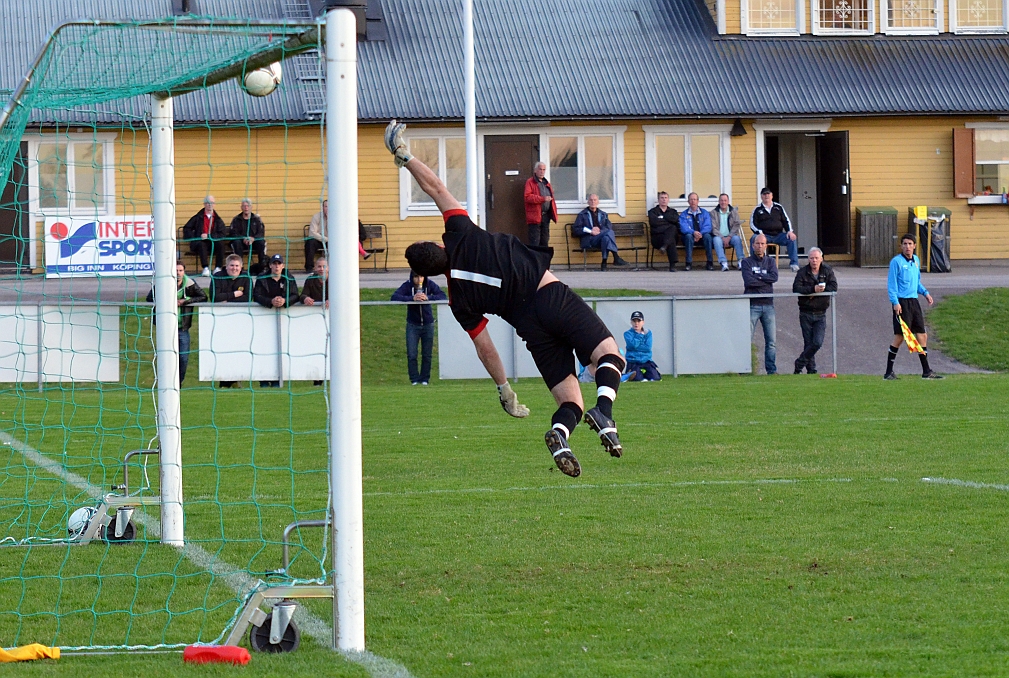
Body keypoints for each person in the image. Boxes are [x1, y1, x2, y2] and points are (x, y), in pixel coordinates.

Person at [386, 118, 626, 478]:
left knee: (570, 400)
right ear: (437, 244)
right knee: (609, 353)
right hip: (549, 294)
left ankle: (560, 435)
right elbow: (435, 186)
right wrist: (405, 157)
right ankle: (605, 411)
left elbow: (486, 349)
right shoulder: (461, 231)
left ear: (430, 273)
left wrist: (505, 390)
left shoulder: (458, 301)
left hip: (530, 328)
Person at [886, 233, 942, 380]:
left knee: (922, 334)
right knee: (900, 337)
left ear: (914, 246)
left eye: (910, 244)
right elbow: (892, 285)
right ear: (901, 246)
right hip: (902, 303)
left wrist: (925, 293)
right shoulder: (896, 262)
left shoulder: (916, 261)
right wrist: (895, 302)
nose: (907, 247)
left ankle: (926, 371)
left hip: (914, 302)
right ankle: (888, 372)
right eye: (905, 244)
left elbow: (916, 282)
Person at [146, 260, 207, 385]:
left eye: (180, 270)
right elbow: (149, 298)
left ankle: (178, 383)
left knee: (183, 358)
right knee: (166, 358)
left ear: (184, 272)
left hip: (182, 328)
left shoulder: (190, 283)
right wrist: (168, 299)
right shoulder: (163, 282)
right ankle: (165, 382)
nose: (178, 273)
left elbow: (203, 297)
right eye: (176, 270)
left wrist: (185, 301)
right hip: (165, 328)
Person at [391, 270, 447, 385]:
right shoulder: (407, 286)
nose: (419, 279)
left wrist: (428, 298)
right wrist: (412, 298)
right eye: (416, 277)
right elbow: (394, 297)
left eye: (421, 276)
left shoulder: (429, 284)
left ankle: (425, 379)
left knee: (427, 354)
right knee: (412, 354)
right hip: (413, 325)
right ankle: (414, 380)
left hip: (428, 324)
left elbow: (443, 296)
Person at [253, 254, 299, 387]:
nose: (277, 266)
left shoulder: (289, 278)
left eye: (279, 264)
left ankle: (277, 379)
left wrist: (284, 301)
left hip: (283, 319)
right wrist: (270, 302)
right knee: (263, 348)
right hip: (263, 318)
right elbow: (256, 295)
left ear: (283, 266)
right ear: (270, 265)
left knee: (281, 348)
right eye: (274, 263)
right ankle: (263, 379)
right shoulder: (262, 278)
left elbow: (295, 295)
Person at [791, 247, 837, 375]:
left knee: (817, 342)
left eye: (816, 258)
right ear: (808, 259)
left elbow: (834, 287)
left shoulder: (827, 271)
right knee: (808, 343)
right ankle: (811, 370)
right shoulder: (802, 272)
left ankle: (799, 363)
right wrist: (812, 289)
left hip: (821, 313)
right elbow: (796, 288)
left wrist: (820, 290)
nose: (814, 261)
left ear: (821, 259)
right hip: (805, 312)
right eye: (811, 258)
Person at [210, 253, 251, 388]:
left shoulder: (246, 277)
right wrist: (234, 294)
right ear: (226, 266)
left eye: (237, 266)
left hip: (241, 319)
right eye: (231, 265)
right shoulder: (217, 277)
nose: (234, 268)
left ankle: (236, 379)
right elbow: (214, 297)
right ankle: (223, 381)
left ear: (241, 267)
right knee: (223, 349)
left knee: (239, 349)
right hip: (221, 320)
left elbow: (248, 297)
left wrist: (227, 299)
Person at [741, 233, 778, 375]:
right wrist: (765, 279)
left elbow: (774, 277)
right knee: (746, 339)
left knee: (771, 342)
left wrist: (758, 277)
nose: (760, 246)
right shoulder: (746, 262)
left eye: (763, 244)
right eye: (757, 243)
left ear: (766, 246)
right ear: (753, 245)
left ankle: (771, 371)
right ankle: (744, 369)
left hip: (768, 305)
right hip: (752, 305)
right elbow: (748, 281)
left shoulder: (771, 262)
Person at [572, 194, 629, 271]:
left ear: (598, 202)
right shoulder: (582, 215)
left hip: (600, 239)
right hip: (589, 240)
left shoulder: (603, 214)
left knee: (606, 238)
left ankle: (604, 263)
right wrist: (591, 231)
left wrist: (600, 231)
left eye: (595, 200)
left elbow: (608, 227)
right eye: (591, 200)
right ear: (588, 202)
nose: (593, 202)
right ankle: (616, 257)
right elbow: (576, 230)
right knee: (609, 232)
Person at [750, 188, 800, 272]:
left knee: (791, 239)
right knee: (754, 239)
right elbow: (752, 224)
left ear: (772, 196)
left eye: (768, 194)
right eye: (764, 194)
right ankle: (754, 264)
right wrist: (760, 233)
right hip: (764, 235)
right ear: (761, 196)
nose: (766, 196)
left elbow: (786, 221)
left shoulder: (779, 207)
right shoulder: (757, 209)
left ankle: (794, 264)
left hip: (778, 235)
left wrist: (789, 231)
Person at [300, 257, 330, 386]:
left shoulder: (336, 279)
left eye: (324, 266)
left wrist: (333, 299)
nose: (321, 269)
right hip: (315, 320)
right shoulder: (310, 280)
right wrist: (306, 299)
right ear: (315, 268)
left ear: (328, 268)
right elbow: (302, 295)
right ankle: (317, 379)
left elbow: (343, 294)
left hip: (332, 320)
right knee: (316, 347)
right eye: (319, 266)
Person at [181, 195, 228, 276]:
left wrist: (209, 236)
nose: (210, 205)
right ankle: (205, 268)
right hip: (200, 242)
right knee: (202, 245)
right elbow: (186, 229)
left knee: (221, 244)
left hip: (213, 242)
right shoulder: (197, 217)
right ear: (204, 204)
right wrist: (197, 237)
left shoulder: (217, 219)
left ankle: (218, 268)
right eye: (208, 203)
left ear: (214, 204)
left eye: (212, 203)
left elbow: (222, 233)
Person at [524, 162, 557, 248]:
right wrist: (542, 199)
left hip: (546, 215)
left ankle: (544, 257)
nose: (542, 172)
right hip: (535, 216)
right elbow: (527, 197)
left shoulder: (546, 183)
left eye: (544, 170)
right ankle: (534, 257)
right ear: (535, 170)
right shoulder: (530, 182)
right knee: (535, 242)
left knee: (545, 240)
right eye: (540, 169)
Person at [678, 192, 714, 271]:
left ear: (698, 201)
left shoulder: (705, 213)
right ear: (688, 201)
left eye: (694, 199)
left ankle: (710, 263)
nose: (693, 201)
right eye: (691, 199)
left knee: (708, 237)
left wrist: (700, 234)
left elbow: (708, 226)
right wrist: (693, 232)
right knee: (688, 236)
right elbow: (683, 227)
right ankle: (688, 263)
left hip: (702, 236)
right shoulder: (684, 214)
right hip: (689, 237)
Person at [230, 199, 267, 275]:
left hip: (254, 242)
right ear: (241, 207)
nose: (246, 208)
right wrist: (243, 238)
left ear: (251, 207)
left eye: (248, 206)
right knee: (236, 243)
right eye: (244, 206)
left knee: (261, 242)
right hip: (241, 242)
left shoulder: (257, 219)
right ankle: (240, 268)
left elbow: (261, 232)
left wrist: (253, 238)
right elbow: (233, 232)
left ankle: (262, 268)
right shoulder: (236, 219)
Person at [709, 193, 745, 272]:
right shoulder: (713, 213)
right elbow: (713, 228)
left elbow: (736, 225)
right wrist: (722, 237)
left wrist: (729, 237)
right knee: (716, 240)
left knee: (737, 239)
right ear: (719, 201)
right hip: (719, 237)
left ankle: (741, 261)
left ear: (728, 201)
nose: (723, 202)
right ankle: (723, 263)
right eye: (721, 200)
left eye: (725, 200)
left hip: (731, 236)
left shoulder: (734, 212)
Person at [623, 311, 660, 381]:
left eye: (638, 321)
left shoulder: (648, 333)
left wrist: (636, 346)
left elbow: (648, 347)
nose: (636, 323)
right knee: (637, 378)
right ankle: (628, 374)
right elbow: (633, 345)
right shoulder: (627, 334)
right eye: (634, 321)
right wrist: (640, 335)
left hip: (646, 360)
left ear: (643, 322)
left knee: (655, 378)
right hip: (633, 361)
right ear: (631, 322)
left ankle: (645, 373)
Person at [647, 191, 679, 272]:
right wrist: (668, 222)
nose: (664, 200)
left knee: (672, 229)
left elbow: (676, 221)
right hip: (657, 238)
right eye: (662, 198)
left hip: (668, 237)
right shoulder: (652, 212)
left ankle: (665, 246)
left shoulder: (673, 212)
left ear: (668, 200)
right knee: (671, 235)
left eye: (665, 198)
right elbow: (654, 223)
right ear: (658, 200)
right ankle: (672, 266)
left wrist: (662, 219)